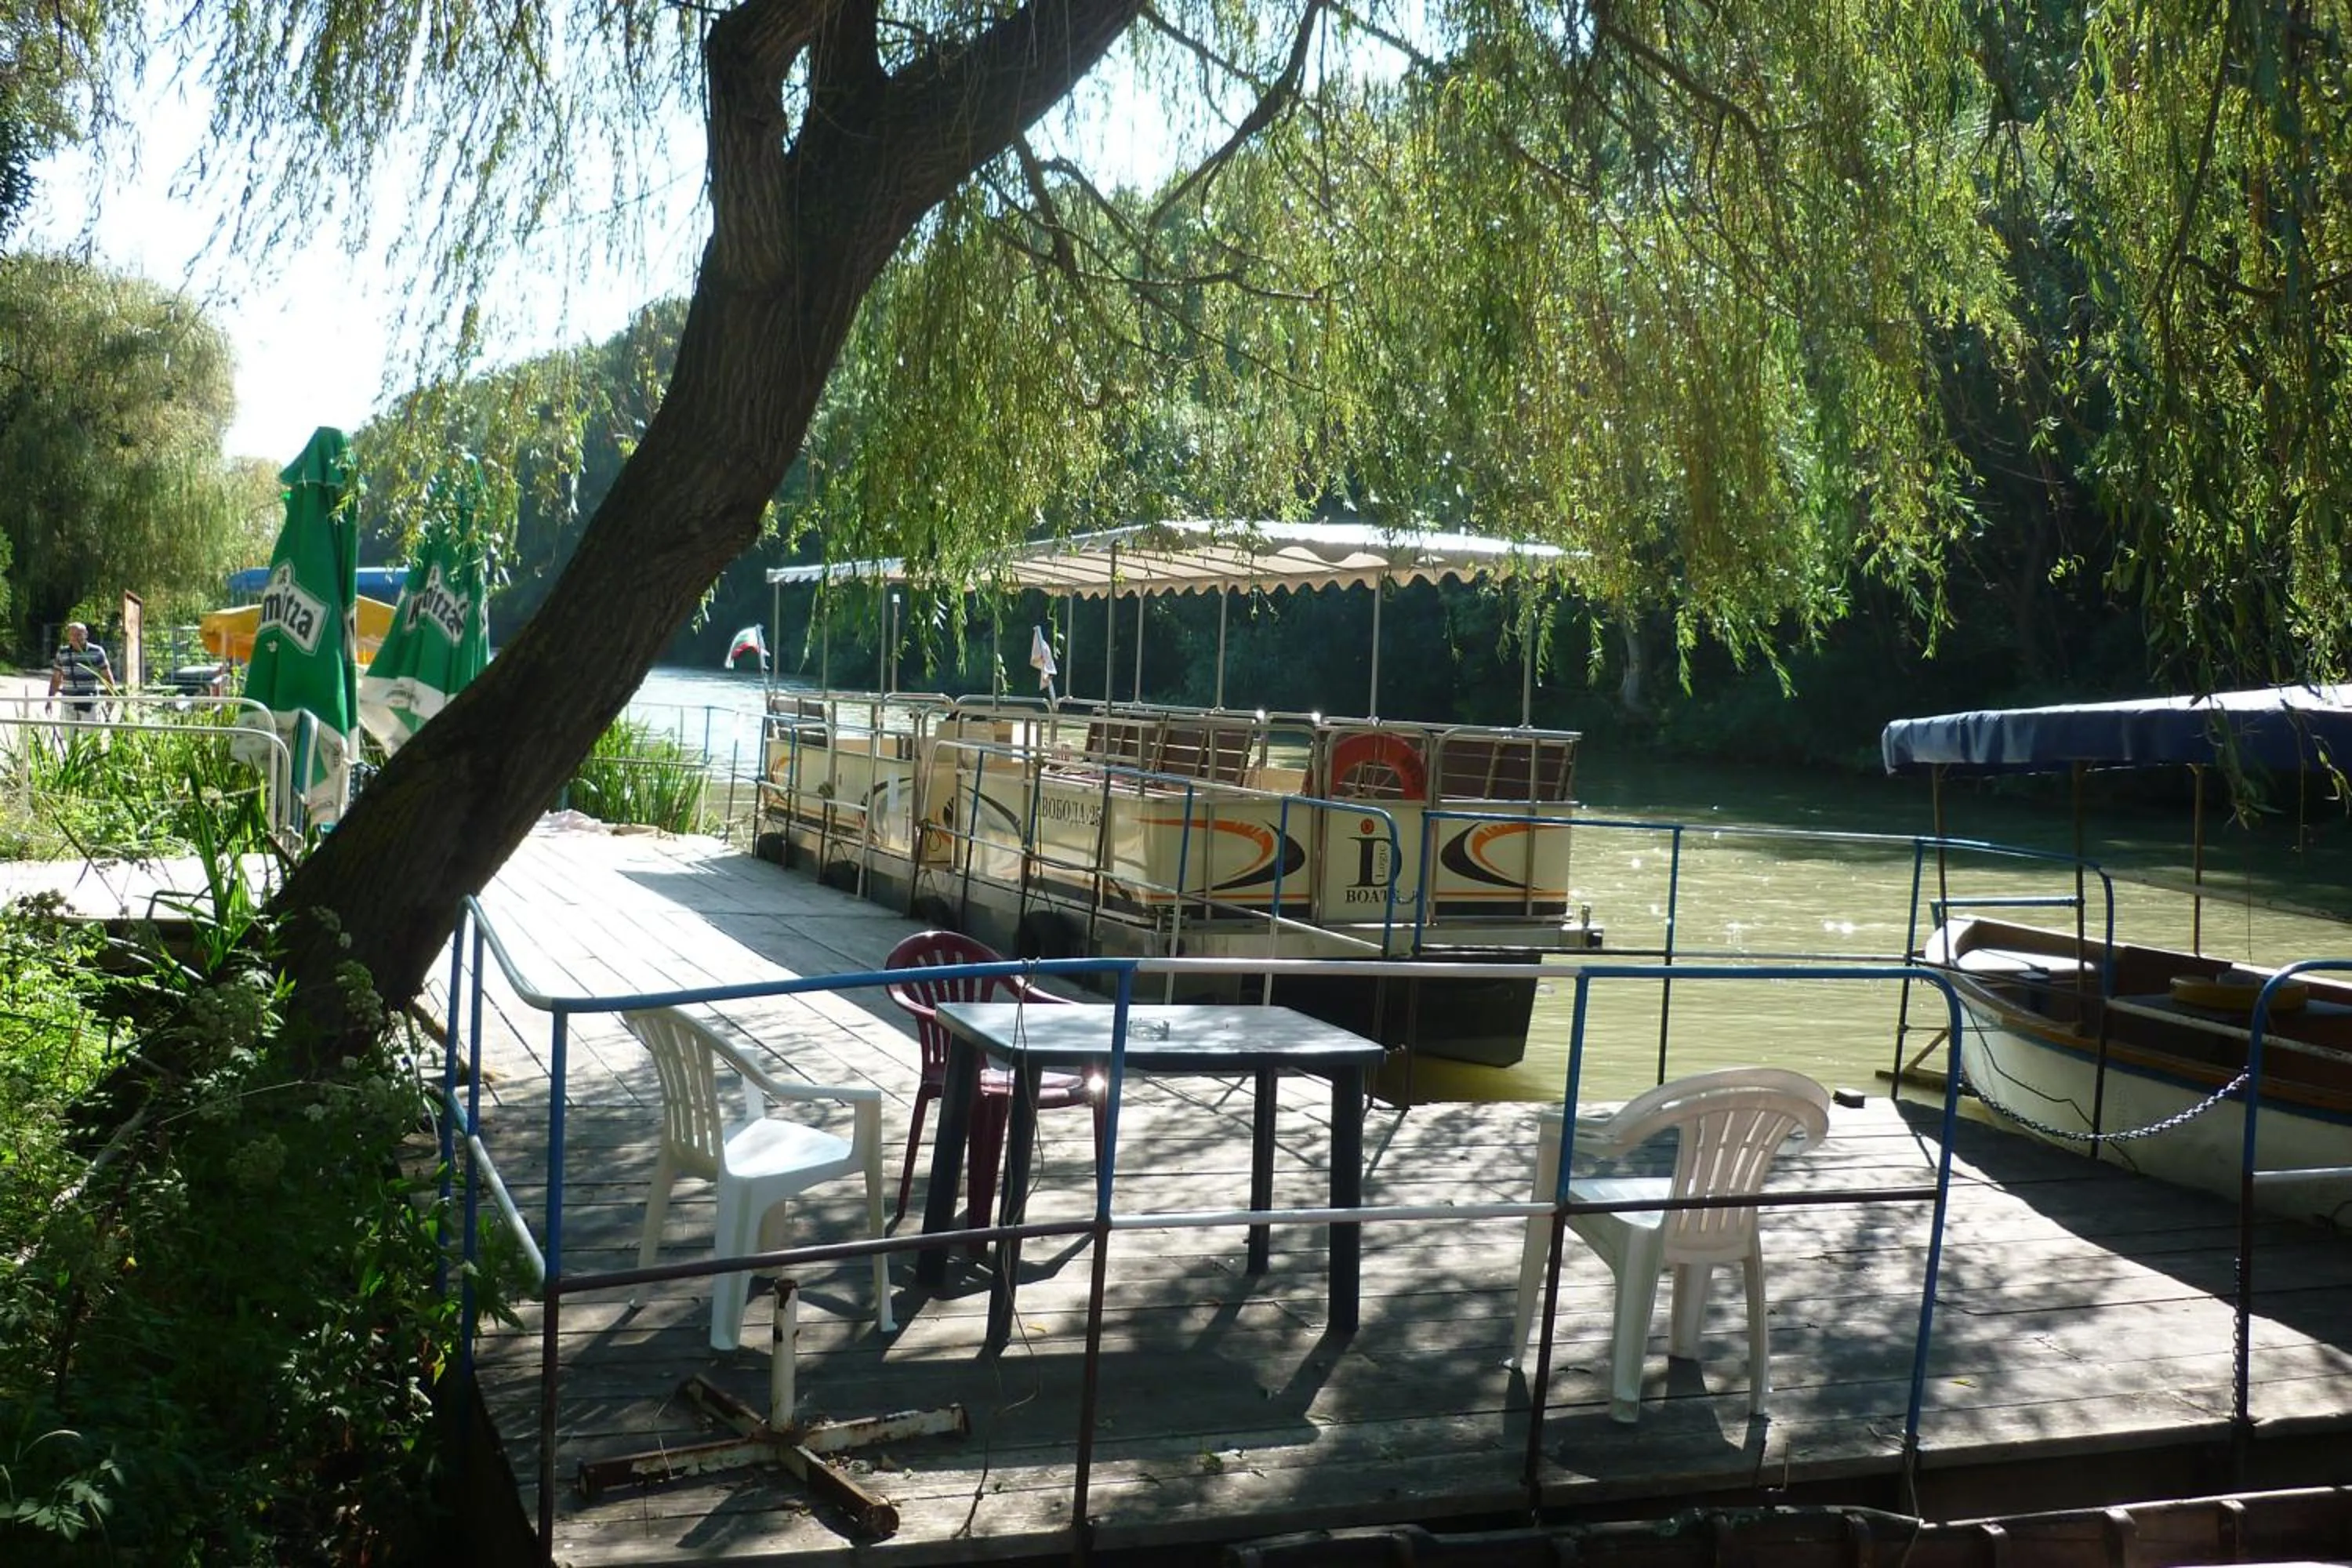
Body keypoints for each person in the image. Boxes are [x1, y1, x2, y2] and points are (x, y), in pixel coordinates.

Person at [49, 622, 116, 718]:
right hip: (68, 702)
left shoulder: (97, 652)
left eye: (78, 635)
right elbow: (56, 679)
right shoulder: (62, 653)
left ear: (86, 635)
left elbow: (107, 677)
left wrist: (111, 699)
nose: (75, 638)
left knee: (89, 728)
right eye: (72, 635)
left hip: (89, 702)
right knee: (67, 728)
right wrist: (50, 699)